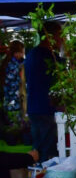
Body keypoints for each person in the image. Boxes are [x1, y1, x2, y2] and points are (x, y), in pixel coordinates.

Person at [25, 23, 61, 162]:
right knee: (46, 150)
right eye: (60, 35)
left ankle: (37, 176)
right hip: (44, 107)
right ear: (50, 36)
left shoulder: (32, 53)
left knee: (39, 147)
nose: (62, 39)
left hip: (35, 107)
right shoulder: (48, 56)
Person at [1, 40, 25, 123]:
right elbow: (17, 83)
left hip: (9, 101)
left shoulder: (9, 62)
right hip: (13, 102)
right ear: (16, 52)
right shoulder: (13, 65)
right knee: (15, 127)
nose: (23, 55)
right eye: (22, 52)